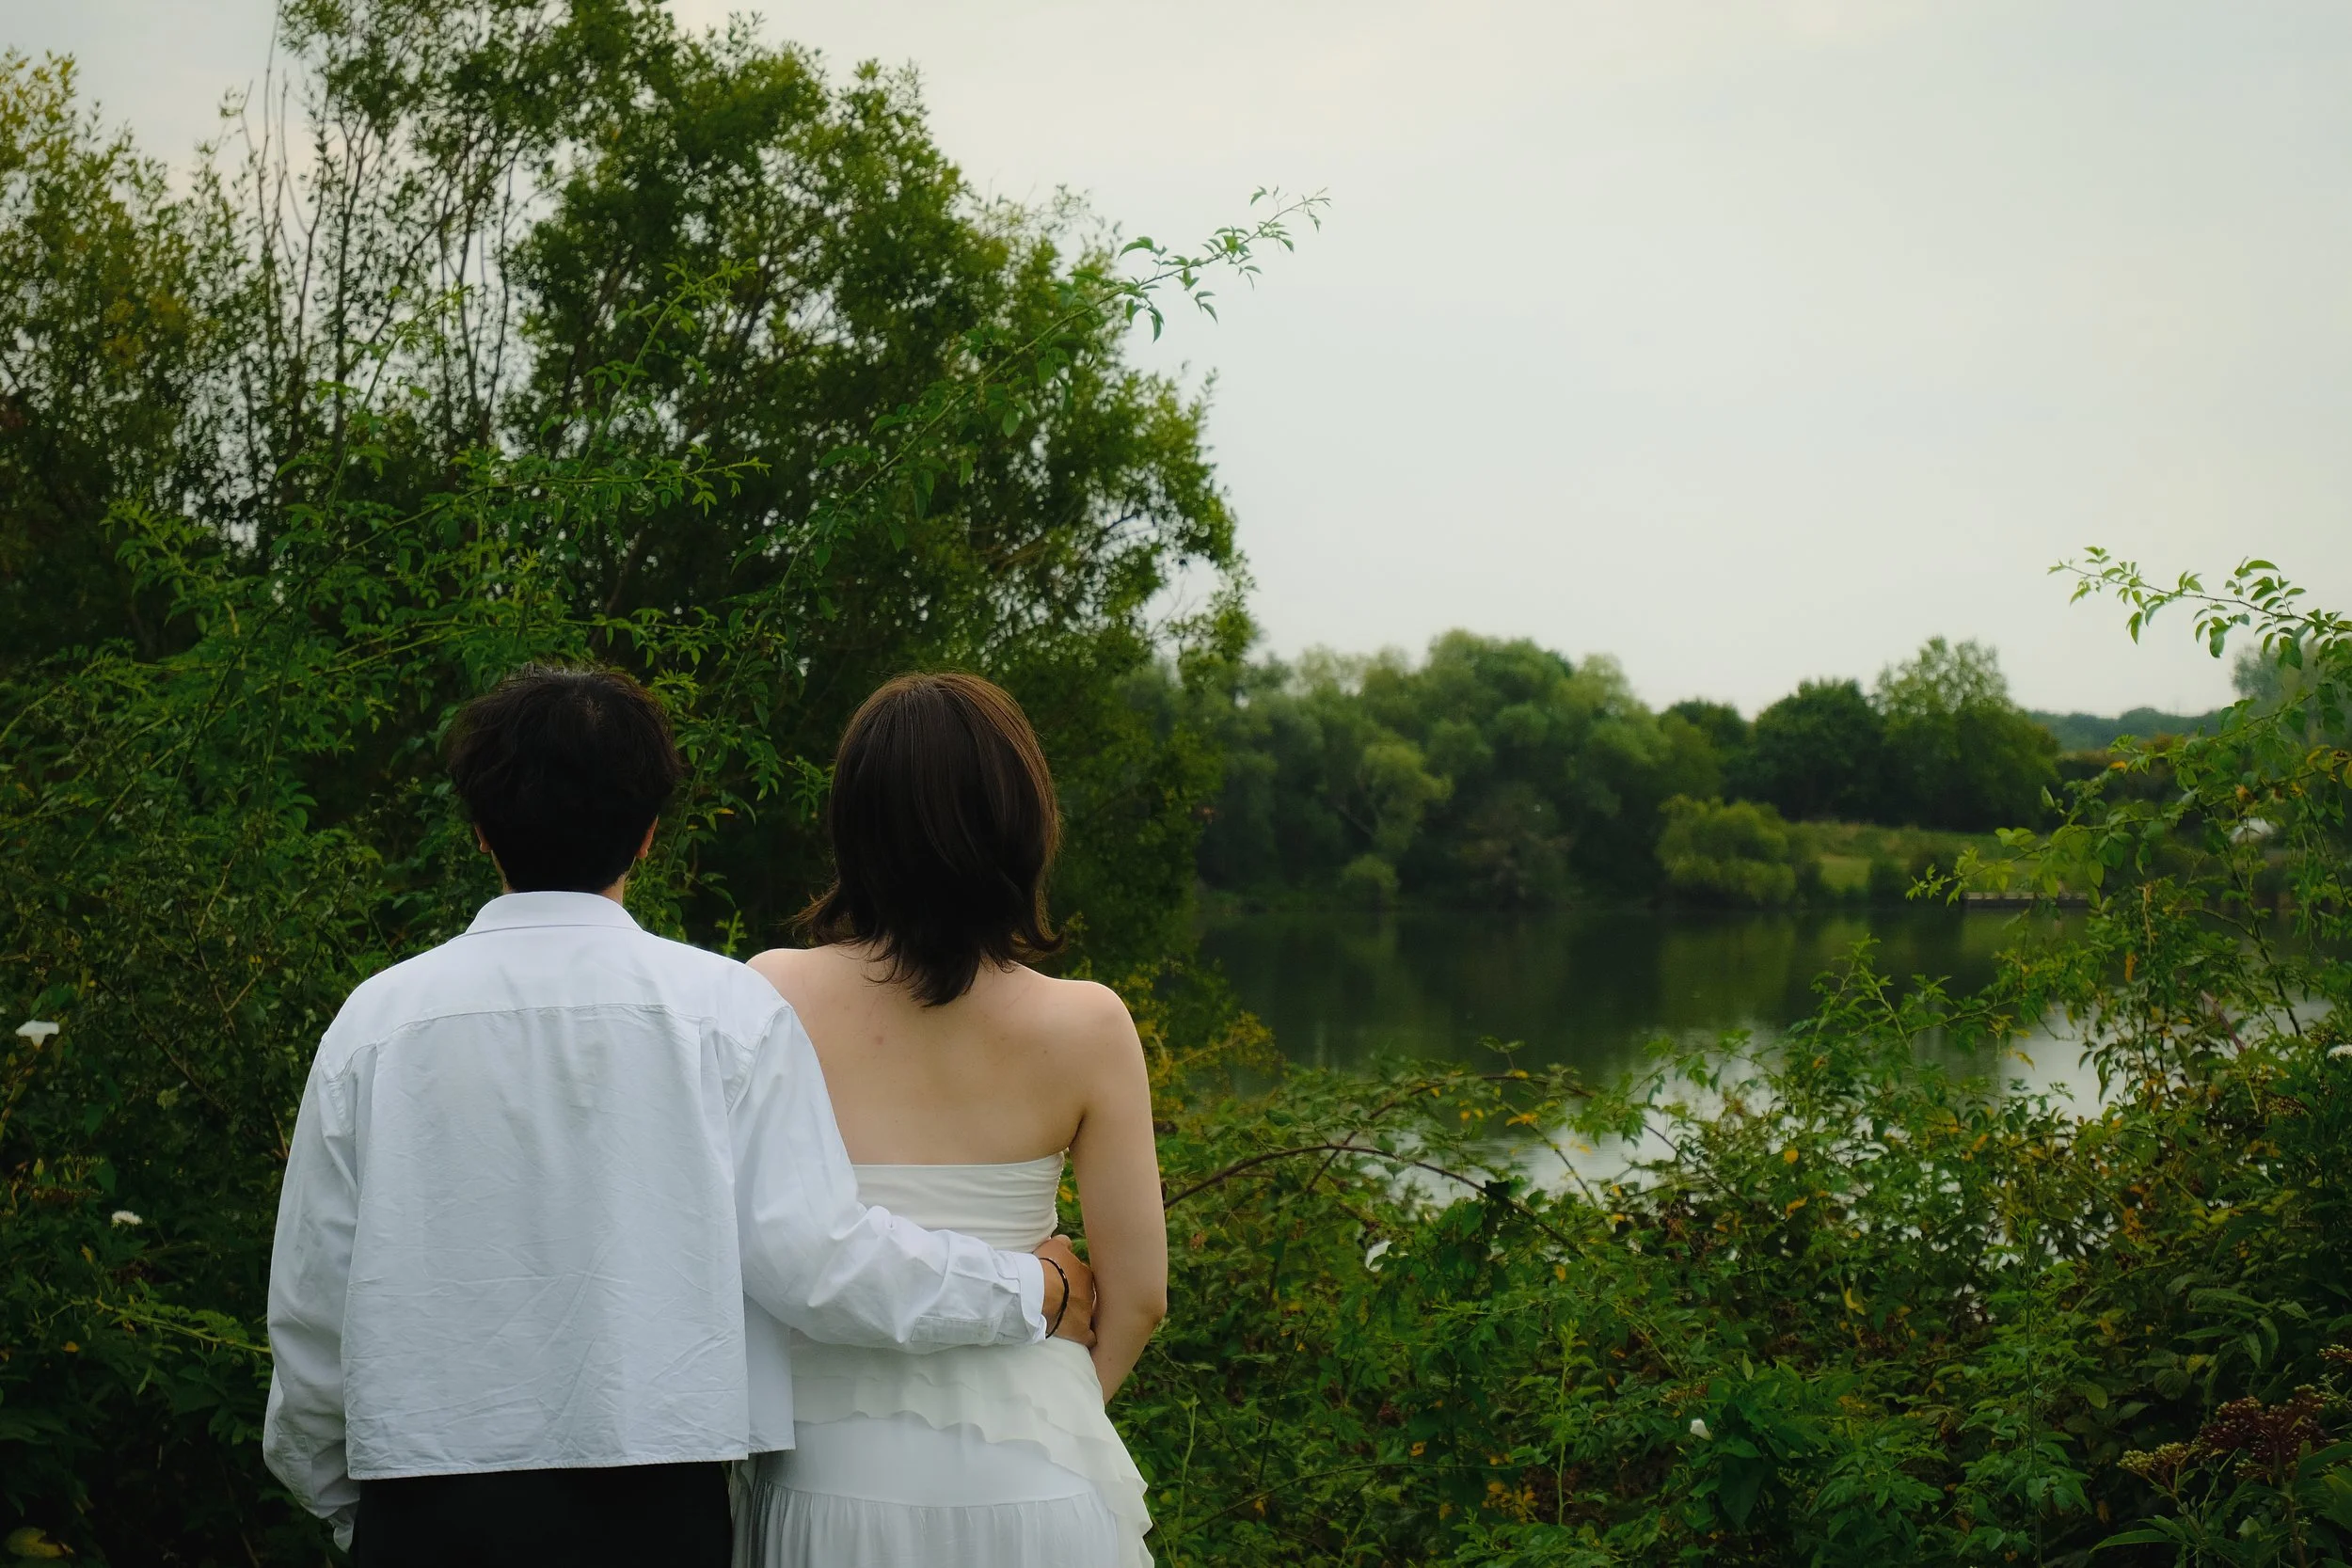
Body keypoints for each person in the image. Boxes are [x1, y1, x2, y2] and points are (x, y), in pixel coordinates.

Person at [262, 664, 1095, 1568]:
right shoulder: (726, 1015)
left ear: (480, 831)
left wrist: (354, 1510)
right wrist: (1030, 1289)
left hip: (422, 1512)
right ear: (651, 833)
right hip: (657, 1514)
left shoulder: (373, 1026)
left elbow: (312, 1311)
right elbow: (817, 1262)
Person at [738, 672, 1168, 1568]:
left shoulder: (769, 992)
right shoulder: (1090, 1023)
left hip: (823, 1475)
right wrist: (1051, 1407)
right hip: (1040, 1480)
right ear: (1021, 821)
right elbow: (1138, 1296)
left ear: (853, 826)